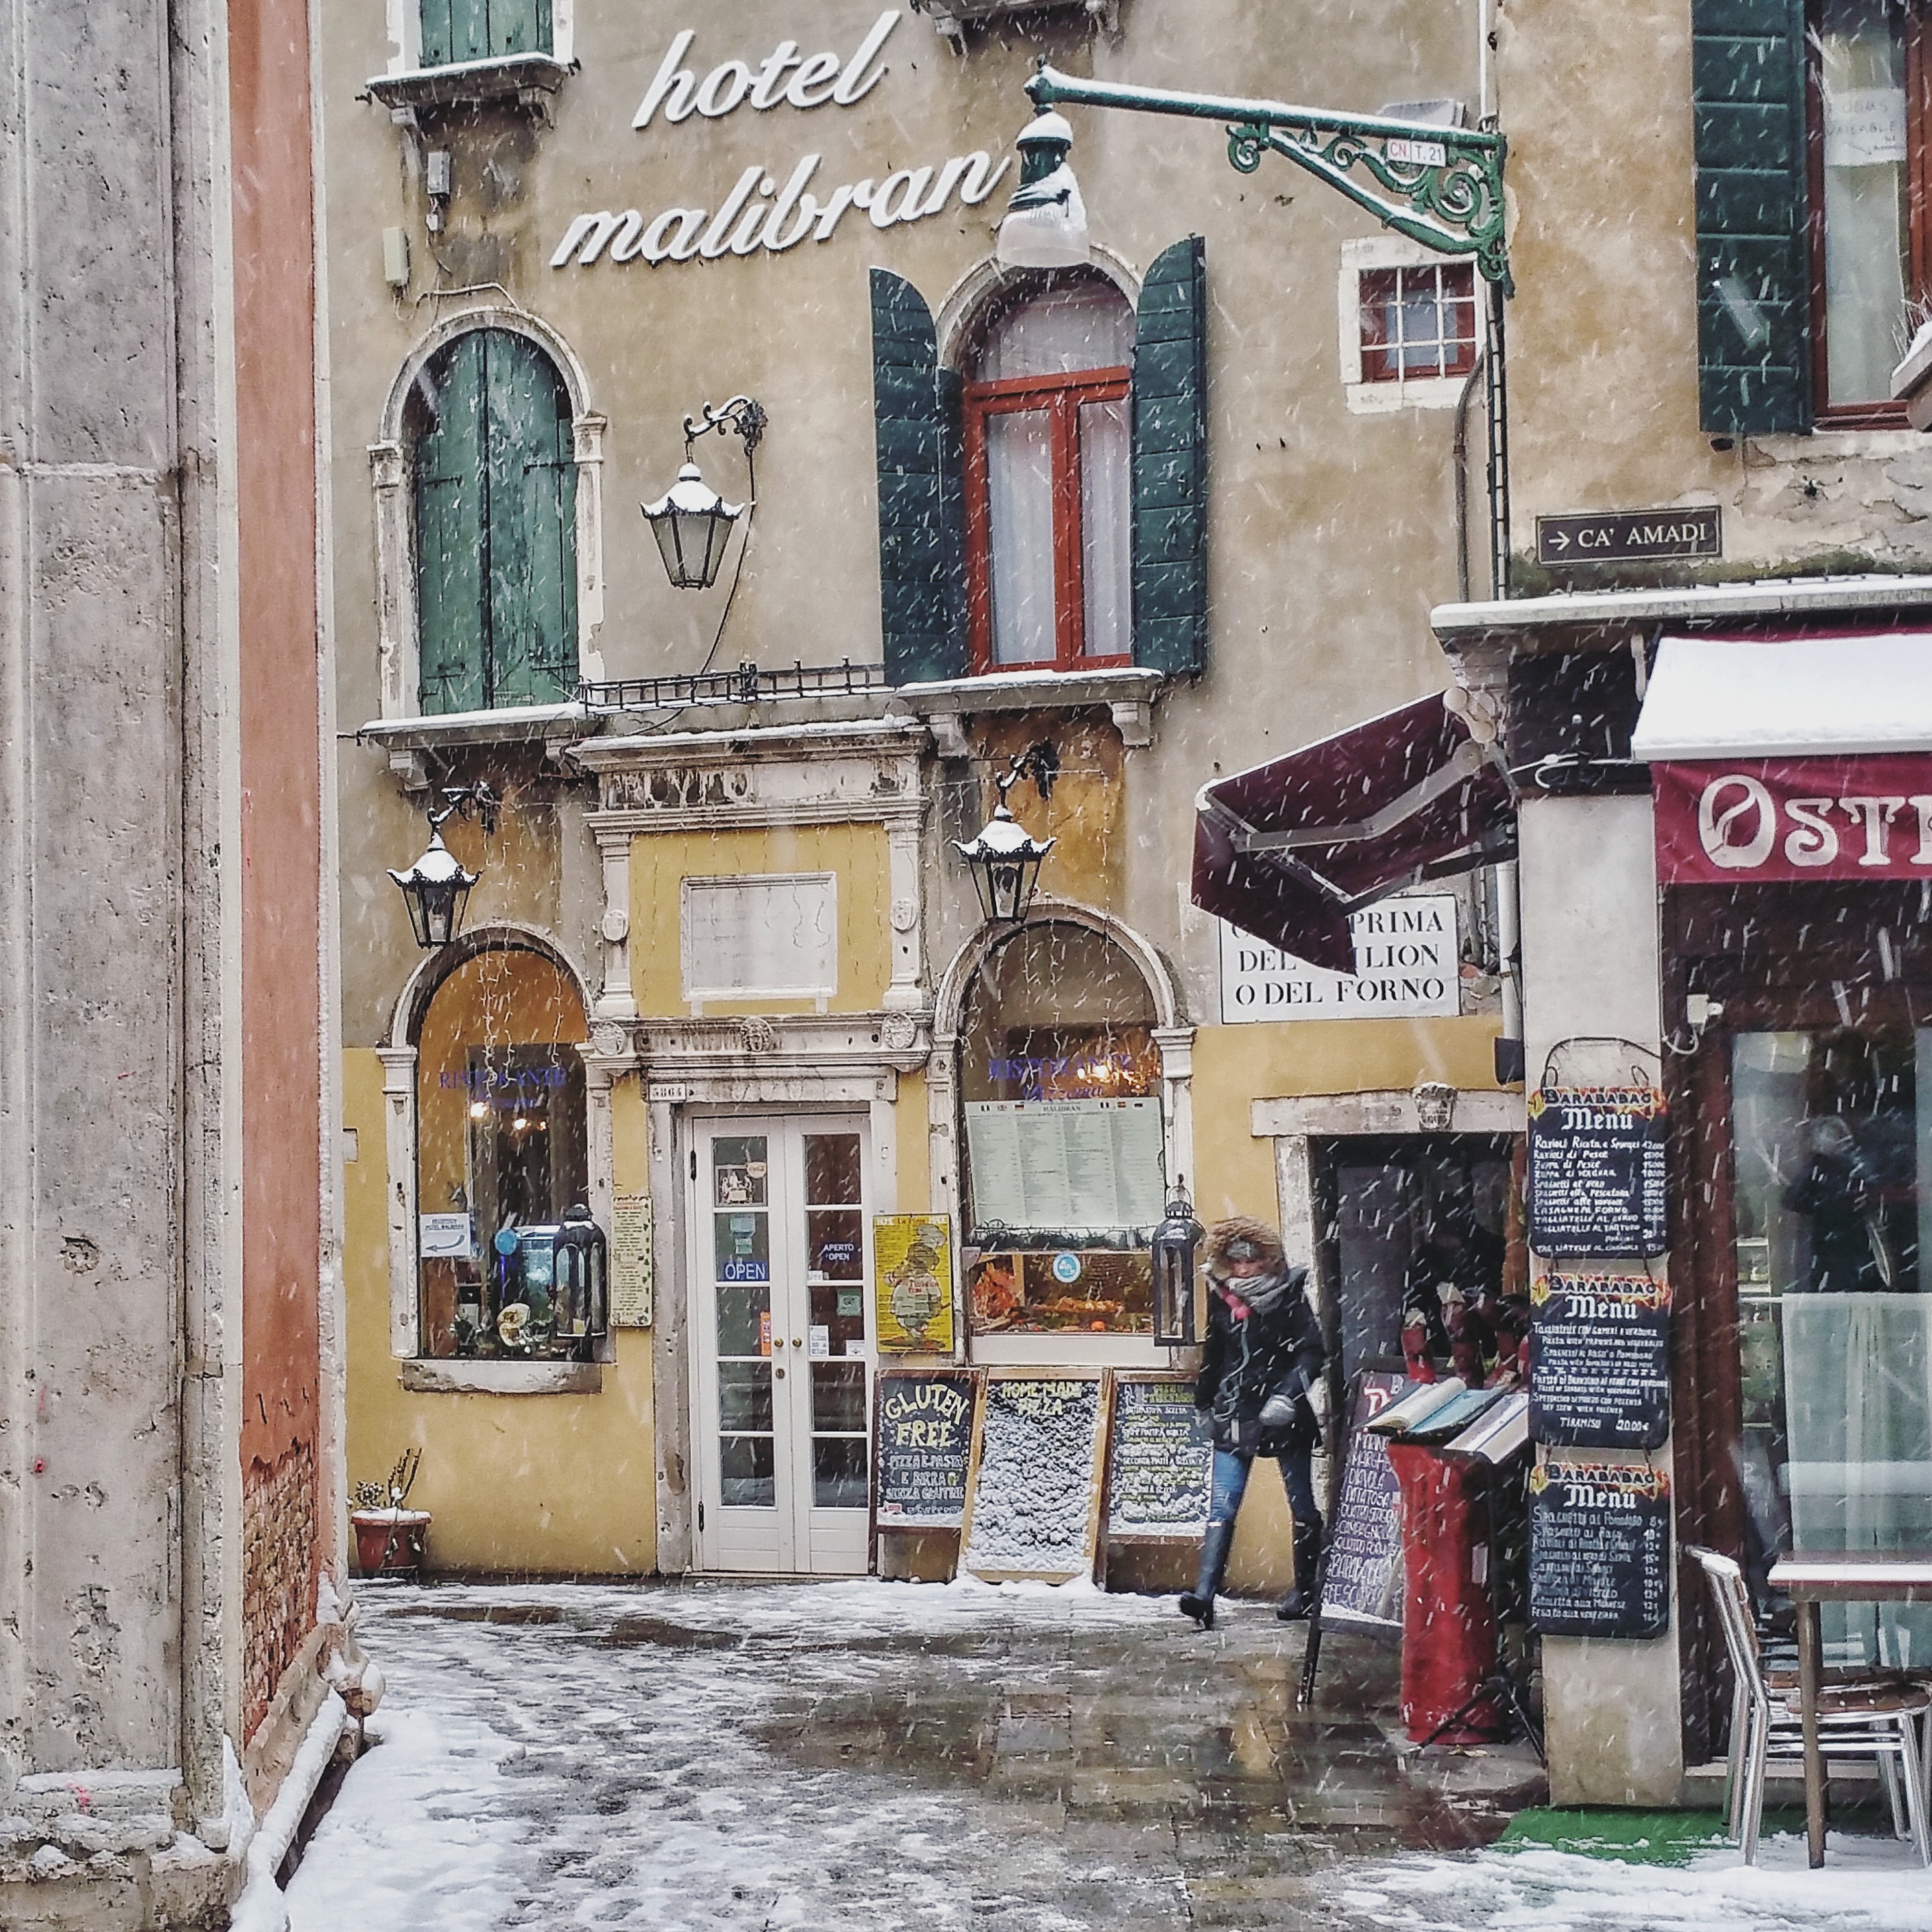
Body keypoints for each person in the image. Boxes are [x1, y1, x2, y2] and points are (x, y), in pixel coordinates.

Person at [1179, 1216, 1327, 1631]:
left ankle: (1305, 1591)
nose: (1244, 1269)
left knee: (1301, 1504)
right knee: (1221, 1505)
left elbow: (1312, 1352)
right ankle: (1204, 1595)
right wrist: (1203, 1403)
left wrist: (1288, 1395)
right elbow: (1215, 1354)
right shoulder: (1221, 1297)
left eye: (1253, 1261)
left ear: (1269, 1260)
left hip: (1284, 1416)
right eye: (1237, 1261)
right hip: (1235, 1412)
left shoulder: (1290, 1295)